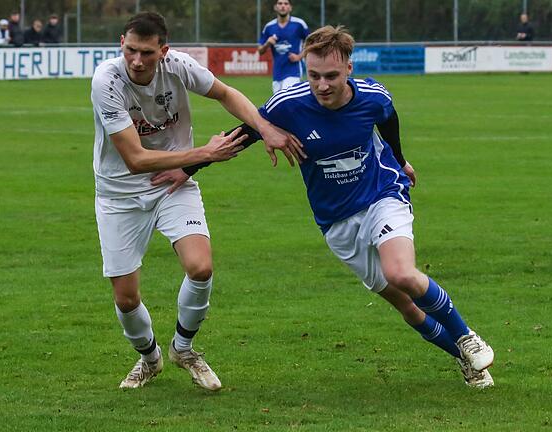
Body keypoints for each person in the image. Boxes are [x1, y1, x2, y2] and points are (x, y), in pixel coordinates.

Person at [225, 26, 496, 388]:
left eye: (332, 76)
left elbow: (389, 120)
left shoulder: (372, 96)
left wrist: (400, 160)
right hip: (336, 222)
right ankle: (466, 360)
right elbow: (246, 131)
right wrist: (188, 166)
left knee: (401, 272)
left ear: (349, 69)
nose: (322, 85)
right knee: (407, 306)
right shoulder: (288, 105)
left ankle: (466, 336)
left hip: (382, 194)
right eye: (315, 75)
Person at [90, 11, 297, 391]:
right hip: (119, 194)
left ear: (163, 51)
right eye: (131, 50)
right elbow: (135, 160)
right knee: (125, 297)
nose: (137, 60)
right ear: (121, 44)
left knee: (200, 267)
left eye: (147, 53)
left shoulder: (179, 66)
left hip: (172, 186)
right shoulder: (107, 81)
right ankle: (149, 359)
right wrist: (203, 155)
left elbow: (226, 93)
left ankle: (183, 349)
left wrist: (265, 128)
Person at [258, 0, 309, 94]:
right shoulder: (269, 27)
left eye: (286, 4)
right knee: (279, 103)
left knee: (288, 97)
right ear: (275, 7)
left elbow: (311, 43)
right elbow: (260, 51)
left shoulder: (299, 24)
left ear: (290, 7)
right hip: (277, 72)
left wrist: (299, 56)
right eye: (280, 3)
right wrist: (267, 43)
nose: (283, 6)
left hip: (294, 70)